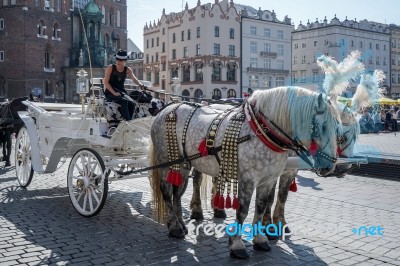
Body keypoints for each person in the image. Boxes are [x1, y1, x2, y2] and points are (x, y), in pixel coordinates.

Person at [104, 49, 144, 121]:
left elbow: (134, 79)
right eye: (117, 59)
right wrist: (114, 93)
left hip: (121, 91)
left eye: (120, 60)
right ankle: (126, 122)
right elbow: (106, 83)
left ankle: (130, 121)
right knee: (124, 101)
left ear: (125, 61)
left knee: (132, 103)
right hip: (110, 91)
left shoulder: (128, 69)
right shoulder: (110, 68)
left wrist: (140, 85)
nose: (118, 61)